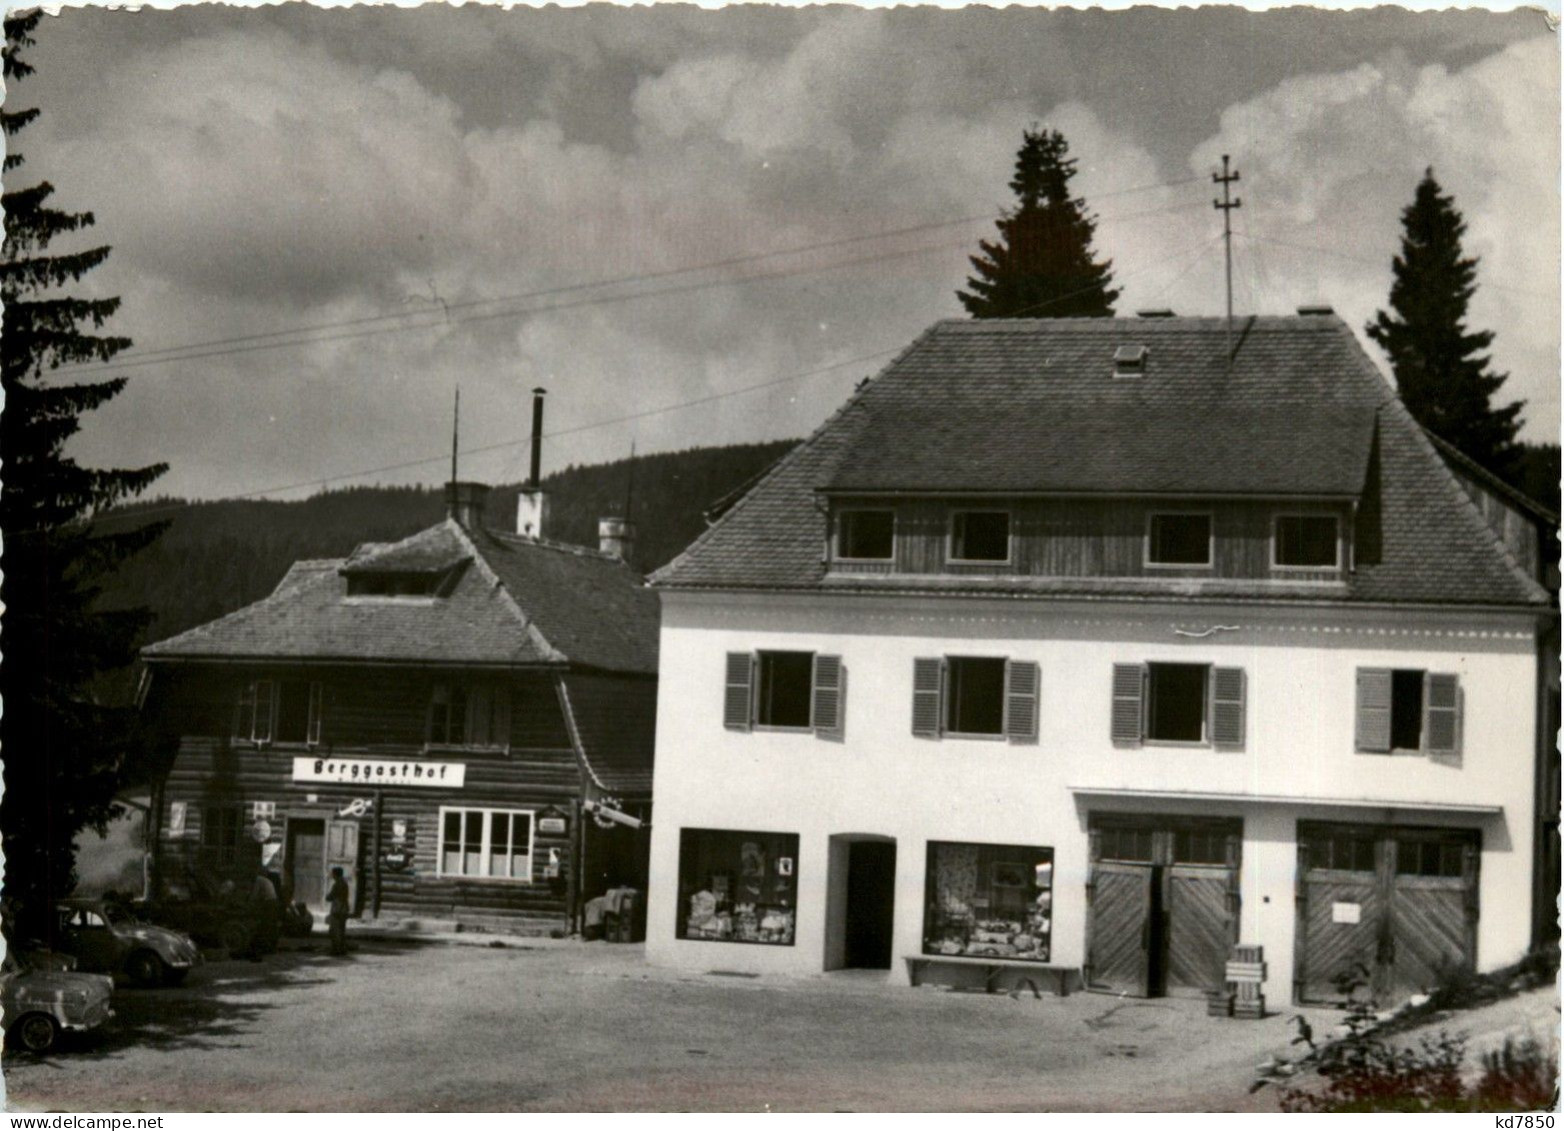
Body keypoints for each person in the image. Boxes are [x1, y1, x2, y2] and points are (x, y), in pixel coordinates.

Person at [327, 867, 350, 956]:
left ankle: (336, 950)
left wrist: (327, 897)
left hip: (337, 909)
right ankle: (342, 949)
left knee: (334, 930)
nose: (332, 875)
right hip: (344, 909)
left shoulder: (337, 884)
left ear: (335, 874)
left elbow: (331, 896)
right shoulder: (344, 883)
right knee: (341, 930)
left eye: (332, 873)